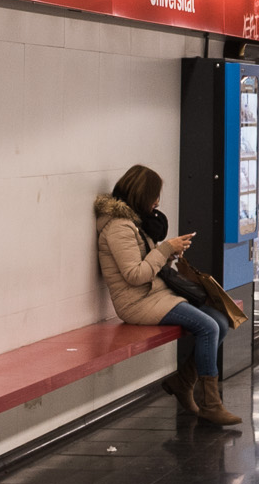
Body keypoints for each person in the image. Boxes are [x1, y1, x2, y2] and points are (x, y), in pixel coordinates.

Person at [99, 165, 238, 428]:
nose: (157, 202)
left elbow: (146, 264)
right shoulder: (119, 228)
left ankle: (182, 383)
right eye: (154, 196)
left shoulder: (134, 222)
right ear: (141, 195)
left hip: (154, 295)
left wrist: (169, 253)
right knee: (207, 327)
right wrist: (164, 250)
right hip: (136, 302)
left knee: (219, 322)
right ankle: (211, 404)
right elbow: (134, 275)